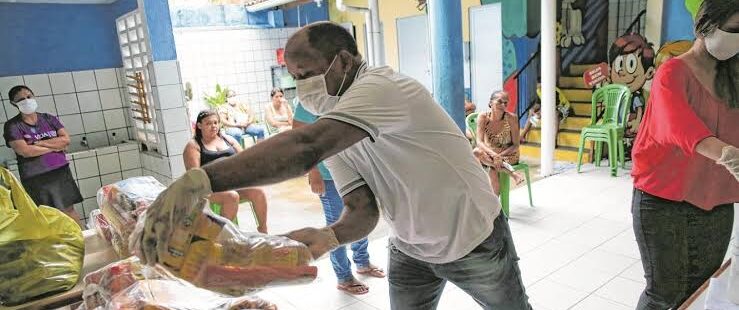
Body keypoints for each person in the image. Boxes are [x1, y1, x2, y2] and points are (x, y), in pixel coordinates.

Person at [140, 22, 531, 310]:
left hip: (473, 239)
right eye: (294, 79)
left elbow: (305, 147)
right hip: (411, 248)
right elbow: (362, 209)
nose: (300, 87)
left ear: (343, 60)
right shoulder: (338, 119)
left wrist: (199, 181)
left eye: (306, 74)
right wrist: (328, 237)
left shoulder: (382, 88)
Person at [630, 1, 739, 308]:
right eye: (733, 30)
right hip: (664, 202)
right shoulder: (672, 73)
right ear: (706, 26)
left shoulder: (734, 79)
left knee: (700, 289)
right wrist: (729, 155)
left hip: (715, 204)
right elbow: (676, 124)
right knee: (664, 294)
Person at [292, 102, 385, 295]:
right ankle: (343, 277)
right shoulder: (308, 102)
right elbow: (300, 140)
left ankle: (362, 262)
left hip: (357, 168)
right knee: (336, 226)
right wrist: (313, 172)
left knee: (363, 214)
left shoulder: (347, 94)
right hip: (327, 175)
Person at [3, 85, 83, 226]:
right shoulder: (13, 126)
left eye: (29, 96)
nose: (27, 101)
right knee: (47, 216)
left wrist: (39, 144)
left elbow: (66, 140)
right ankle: (59, 246)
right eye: (21, 99)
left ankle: (81, 241)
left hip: (60, 171)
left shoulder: (48, 118)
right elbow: (25, 151)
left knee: (69, 210)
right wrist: (55, 147)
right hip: (36, 177)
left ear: (34, 96)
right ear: (13, 104)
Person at [183, 110, 269, 233]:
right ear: (199, 125)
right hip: (207, 188)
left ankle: (263, 230)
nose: (214, 126)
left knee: (258, 191)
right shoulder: (193, 146)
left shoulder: (228, 139)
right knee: (231, 196)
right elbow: (194, 175)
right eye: (208, 123)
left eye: (216, 123)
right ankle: (219, 236)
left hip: (232, 183)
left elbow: (245, 159)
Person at [473, 91, 525, 195]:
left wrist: (499, 156)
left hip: (509, 154)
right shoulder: (483, 117)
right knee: (476, 152)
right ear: (491, 103)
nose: (503, 105)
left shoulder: (511, 118)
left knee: (493, 169)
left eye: (506, 103)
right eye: (500, 102)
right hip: (491, 154)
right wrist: (494, 155)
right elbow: (479, 142)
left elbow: (516, 145)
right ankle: (513, 173)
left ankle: (495, 207)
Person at [608, 33, 656, 138]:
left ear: (649, 72)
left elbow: (639, 110)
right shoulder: (618, 94)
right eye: (618, 65)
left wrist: (638, 122)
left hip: (630, 123)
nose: (622, 72)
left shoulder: (636, 96)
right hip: (620, 123)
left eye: (631, 65)